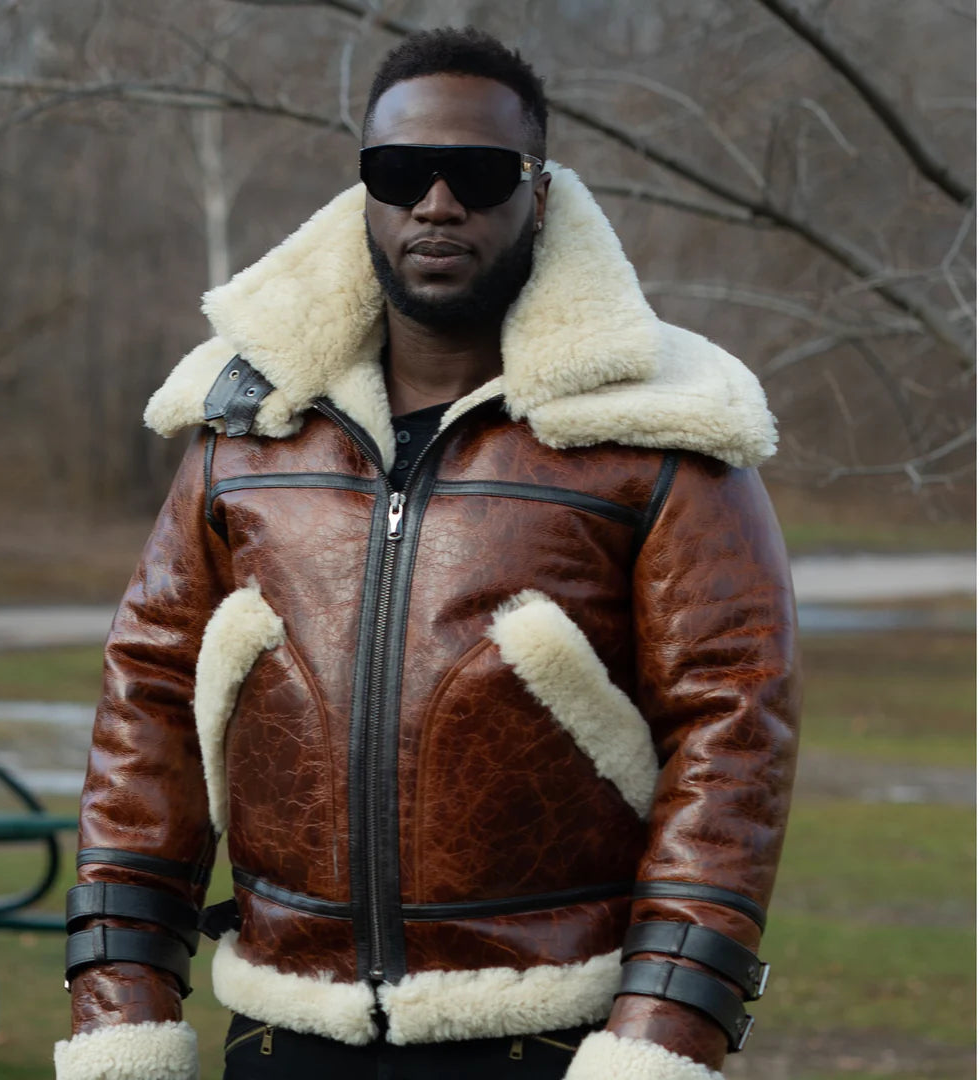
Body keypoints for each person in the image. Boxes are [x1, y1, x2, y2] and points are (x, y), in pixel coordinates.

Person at [54, 27, 799, 1080]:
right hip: (281, 1030)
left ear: (538, 193)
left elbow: (734, 735)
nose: (437, 204)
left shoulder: (661, 428)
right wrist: (119, 1005)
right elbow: (149, 702)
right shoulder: (248, 426)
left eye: (480, 175)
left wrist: (666, 1031)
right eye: (401, 173)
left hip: (554, 1034)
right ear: (367, 192)